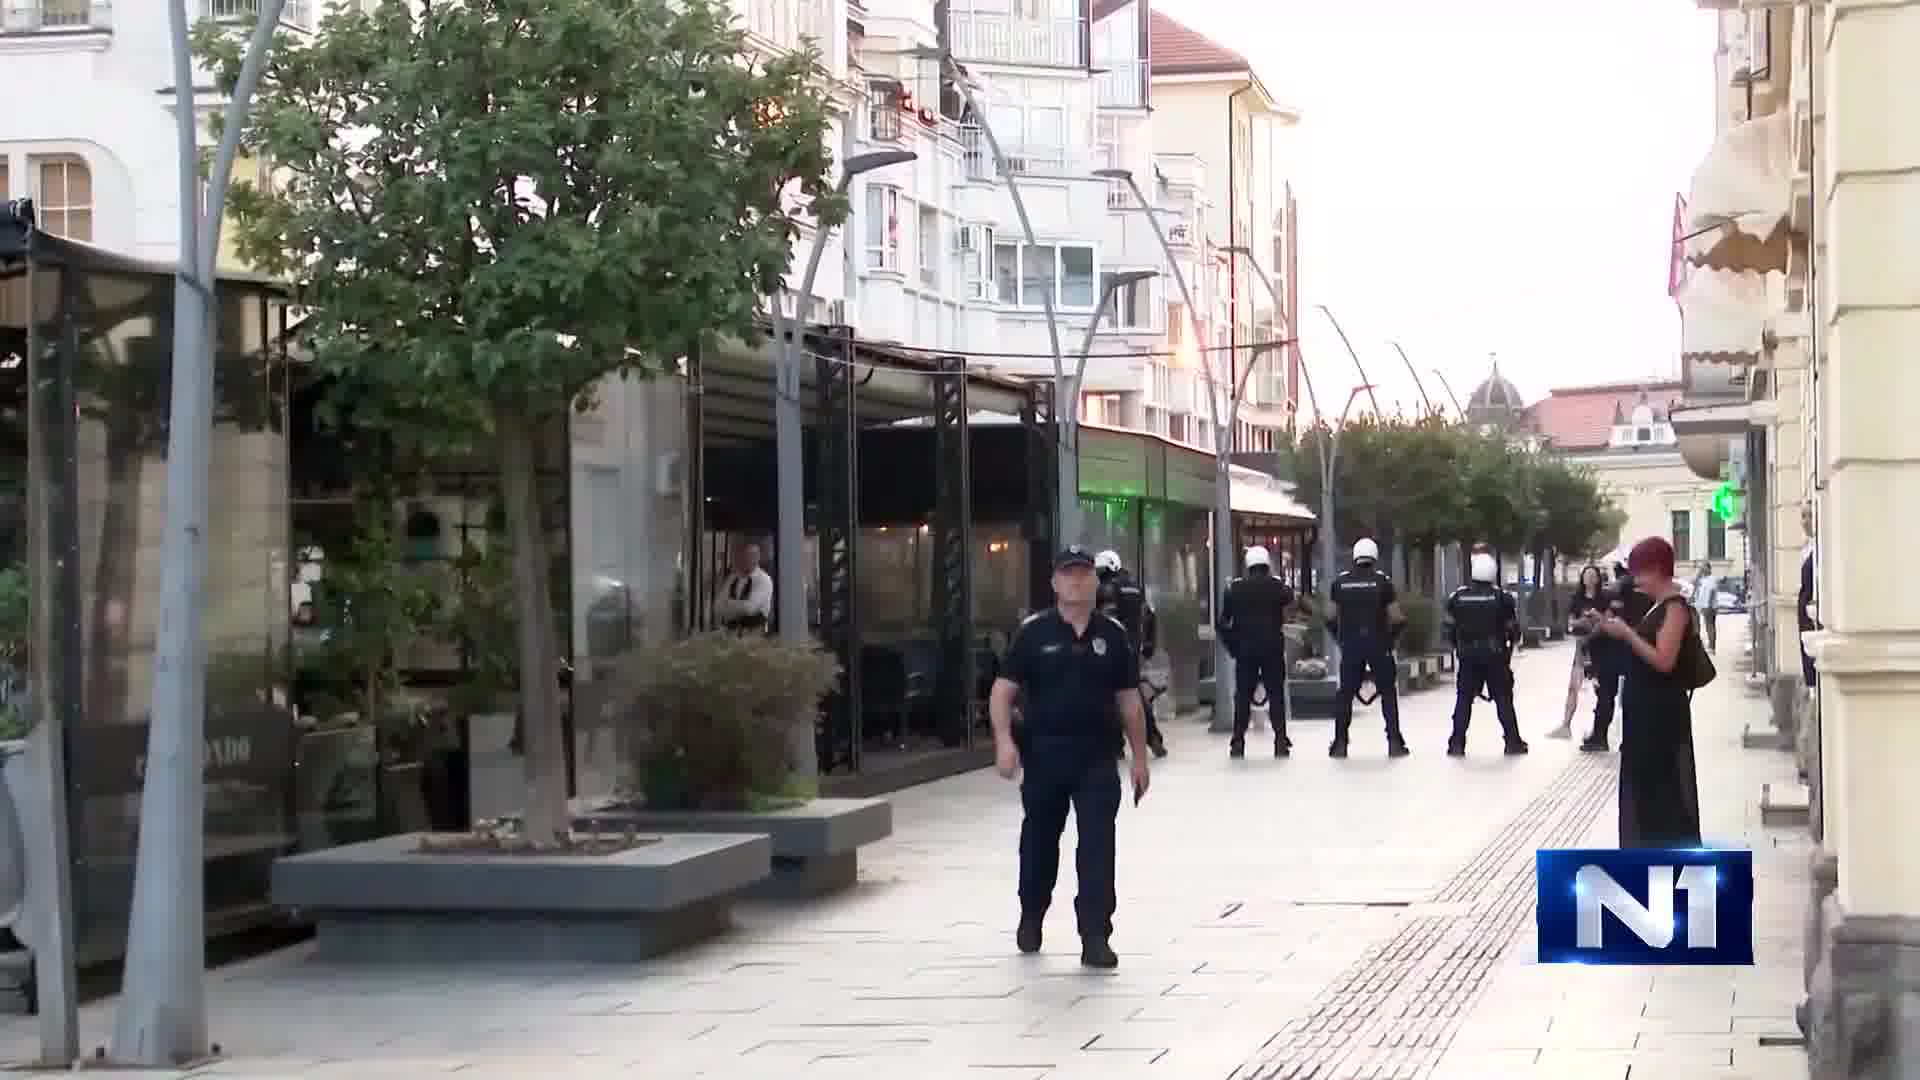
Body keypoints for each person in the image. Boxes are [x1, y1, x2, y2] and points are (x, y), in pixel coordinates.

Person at [989, 546, 1150, 970]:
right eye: (1069, 574)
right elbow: (1002, 691)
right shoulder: (1034, 633)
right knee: (1040, 840)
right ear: (1055, 582)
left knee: (1098, 844)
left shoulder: (1112, 635)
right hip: (1044, 753)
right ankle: (1032, 913)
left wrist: (1140, 757)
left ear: (1096, 582)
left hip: (1097, 755)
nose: (1077, 581)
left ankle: (1095, 934)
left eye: (1084, 574)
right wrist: (1004, 743)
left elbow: (1130, 700)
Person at [1594, 536, 1703, 847]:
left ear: (1657, 569)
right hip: (1643, 709)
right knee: (1643, 786)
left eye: (1640, 572)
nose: (1637, 580)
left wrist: (1626, 634)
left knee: (1662, 788)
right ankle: (1645, 851)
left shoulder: (1675, 607)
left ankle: (1665, 853)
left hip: (1660, 713)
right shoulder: (1656, 605)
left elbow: (1664, 660)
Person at [1327, 538, 1409, 759]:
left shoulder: (1340, 583)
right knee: (1388, 693)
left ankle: (1340, 743)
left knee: (1345, 694)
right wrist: (1389, 640)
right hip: (1378, 645)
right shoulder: (1383, 582)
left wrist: (1341, 640)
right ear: (1374, 557)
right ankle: (1394, 742)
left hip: (1351, 646)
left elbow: (1330, 617)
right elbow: (1398, 618)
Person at [1443, 551, 1528, 756]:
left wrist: (1458, 648)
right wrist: (1509, 650)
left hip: (1468, 655)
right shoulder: (1502, 598)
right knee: (1503, 699)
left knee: (1463, 700)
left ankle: (1456, 743)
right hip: (1495, 655)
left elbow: (1449, 628)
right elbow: (1513, 629)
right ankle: (1512, 741)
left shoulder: (1458, 597)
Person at [1217, 545, 1296, 758]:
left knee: (1243, 696)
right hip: (1272, 648)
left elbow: (1222, 623)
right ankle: (1280, 741)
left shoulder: (1234, 588)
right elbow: (1290, 608)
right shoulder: (1278, 586)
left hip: (1246, 650)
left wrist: (1233, 647)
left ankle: (1238, 742)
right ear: (1267, 564)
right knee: (1275, 695)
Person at [1094, 550, 1167, 759]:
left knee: (1108, 697)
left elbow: (1104, 621)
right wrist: (1149, 646)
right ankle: (1153, 737)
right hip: (1131, 650)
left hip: (1108, 651)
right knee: (1133, 695)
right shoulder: (1135, 587)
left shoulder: (1107, 589)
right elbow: (1149, 616)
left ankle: (1115, 745)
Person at [1582, 561, 1651, 753]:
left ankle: (1599, 736)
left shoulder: (1608, 594)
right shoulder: (1646, 595)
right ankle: (1631, 740)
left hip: (1610, 651)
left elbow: (1597, 624)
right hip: (1635, 649)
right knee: (1632, 697)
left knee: (1606, 695)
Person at [1547, 564, 1609, 739]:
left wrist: (1597, 620)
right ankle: (1566, 725)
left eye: (1592, 575)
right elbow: (1570, 622)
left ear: (1598, 578)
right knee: (1573, 686)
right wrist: (1583, 621)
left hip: (1601, 646)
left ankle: (1598, 730)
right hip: (1582, 647)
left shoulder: (1604, 599)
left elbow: (1607, 621)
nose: (1589, 578)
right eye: (1586, 575)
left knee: (1602, 690)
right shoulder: (1576, 598)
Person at [713, 541, 773, 633]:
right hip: (731, 633)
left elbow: (750, 608)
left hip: (754, 635)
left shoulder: (764, 580)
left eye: (752, 555)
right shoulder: (733, 578)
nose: (747, 559)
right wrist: (738, 606)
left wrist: (728, 603)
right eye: (745, 555)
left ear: (758, 558)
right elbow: (717, 607)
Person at [1688, 560, 1721, 652]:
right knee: (1699, 626)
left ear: (1709, 568)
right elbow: (1693, 586)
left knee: (1710, 626)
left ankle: (1712, 646)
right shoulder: (1701, 579)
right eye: (1701, 568)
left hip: (1709, 606)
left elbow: (1712, 592)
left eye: (1703, 567)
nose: (1702, 569)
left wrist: (1709, 605)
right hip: (1699, 605)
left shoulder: (1712, 579)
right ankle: (1700, 645)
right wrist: (1698, 575)